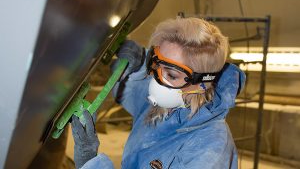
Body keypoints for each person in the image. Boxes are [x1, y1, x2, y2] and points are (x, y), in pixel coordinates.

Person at [71, 17, 246, 169]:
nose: (156, 80)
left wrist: (90, 162)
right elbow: (125, 92)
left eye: (171, 74)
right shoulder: (164, 107)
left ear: (202, 84)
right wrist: (138, 65)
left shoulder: (209, 150)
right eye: (156, 64)